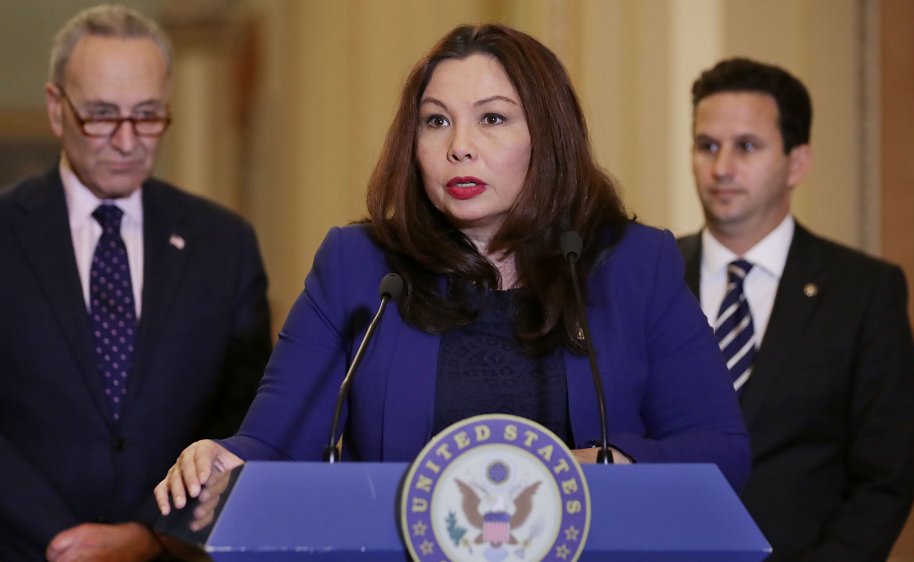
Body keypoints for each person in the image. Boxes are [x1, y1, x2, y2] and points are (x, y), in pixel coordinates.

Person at [155, 23, 751, 516]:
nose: (458, 146)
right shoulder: (360, 267)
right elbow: (274, 446)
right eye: (436, 121)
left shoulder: (632, 263)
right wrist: (222, 460)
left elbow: (721, 451)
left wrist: (611, 464)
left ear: (548, 137)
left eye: (492, 119)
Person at [0, 5, 272, 560]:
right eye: (101, 115)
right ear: (57, 109)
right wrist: (58, 538)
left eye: (147, 115)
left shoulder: (224, 244)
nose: (127, 141)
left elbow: (244, 420)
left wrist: (149, 537)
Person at [678, 57, 914, 561]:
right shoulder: (647, 276)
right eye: (707, 146)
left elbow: (885, 476)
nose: (722, 167)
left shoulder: (865, 291)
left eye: (746, 146)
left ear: (797, 163)